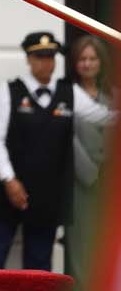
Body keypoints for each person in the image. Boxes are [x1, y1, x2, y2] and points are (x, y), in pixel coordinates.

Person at [0, 31, 115, 271]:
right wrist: (10, 181)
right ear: (29, 59)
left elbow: (103, 116)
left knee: (40, 265)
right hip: (4, 191)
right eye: (40, 57)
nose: (46, 63)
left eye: (51, 57)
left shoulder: (69, 92)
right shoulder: (10, 90)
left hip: (46, 195)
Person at [68, 34, 113, 281]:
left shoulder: (115, 96)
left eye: (92, 58)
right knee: (82, 245)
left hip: (112, 184)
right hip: (83, 182)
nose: (87, 64)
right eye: (82, 59)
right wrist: (92, 175)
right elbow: (69, 140)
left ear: (101, 62)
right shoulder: (69, 94)